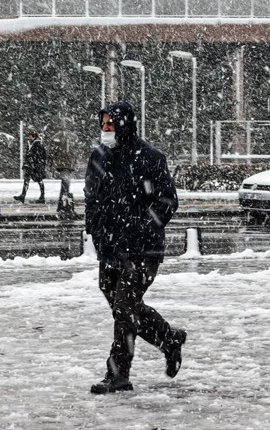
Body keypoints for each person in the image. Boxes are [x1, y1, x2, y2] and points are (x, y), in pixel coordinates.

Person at [84, 101, 184, 394]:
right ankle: (169, 339)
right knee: (123, 309)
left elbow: (167, 200)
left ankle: (118, 374)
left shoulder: (150, 157)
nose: (105, 130)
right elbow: (91, 195)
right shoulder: (100, 155)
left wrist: (141, 229)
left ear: (124, 125)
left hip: (142, 250)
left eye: (110, 125)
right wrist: (94, 228)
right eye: (102, 125)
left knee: (125, 308)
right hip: (110, 249)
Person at [47, 118, 79, 212]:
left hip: (63, 163)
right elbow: (75, 151)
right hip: (67, 163)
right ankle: (63, 203)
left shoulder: (57, 136)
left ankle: (62, 204)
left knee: (65, 183)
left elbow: (52, 151)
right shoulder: (73, 137)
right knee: (66, 183)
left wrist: (51, 162)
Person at [14, 131, 47, 203]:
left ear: (34, 137)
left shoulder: (37, 145)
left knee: (39, 181)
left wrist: (38, 164)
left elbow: (40, 156)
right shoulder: (31, 144)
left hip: (35, 166)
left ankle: (42, 196)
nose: (29, 138)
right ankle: (23, 195)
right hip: (30, 166)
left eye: (30, 136)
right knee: (27, 180)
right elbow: (29, 156)